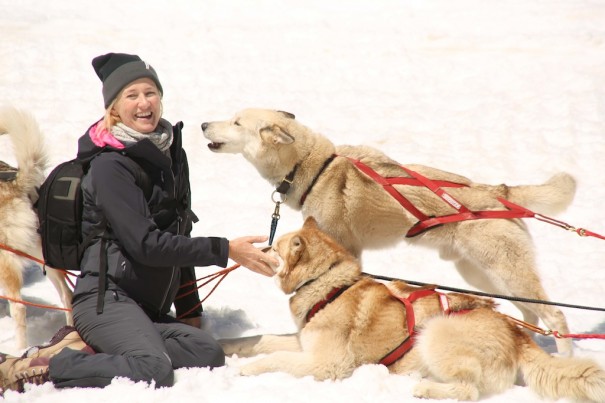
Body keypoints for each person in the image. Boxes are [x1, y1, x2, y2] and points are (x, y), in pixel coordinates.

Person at [0, 52, 278, 394]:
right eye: (131, 96)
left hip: (146, 308)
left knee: (206, 350)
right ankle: (37, 366)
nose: (144, 103)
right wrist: (226, 249)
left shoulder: (171, 154)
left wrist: (189, 309)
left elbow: (179, 230)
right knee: (153, 368)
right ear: (114, 108)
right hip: (106, 300)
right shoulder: (109, 166)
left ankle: (83, 344)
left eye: (150, 93)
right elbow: (144, 244)